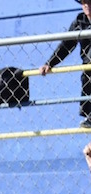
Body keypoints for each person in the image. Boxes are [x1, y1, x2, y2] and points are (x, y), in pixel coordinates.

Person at [39, 0, 91, 129]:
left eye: (90, 2)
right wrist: (50, 63)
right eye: (84, 2)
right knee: (87, 77)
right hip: (88, 69)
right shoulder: (80, 21)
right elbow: (67, 45)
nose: (86, 5)